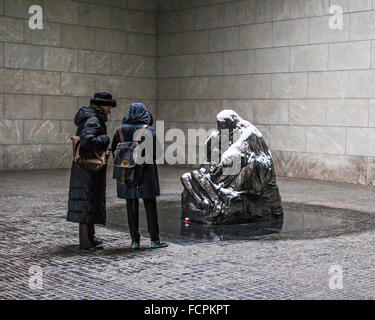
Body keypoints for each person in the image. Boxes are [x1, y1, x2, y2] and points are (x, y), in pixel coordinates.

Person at [111, 103, 168, 250]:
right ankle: (154, 240)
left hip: (127, 172)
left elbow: (114, 151)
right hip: (146, 173)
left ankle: (134, 241)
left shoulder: (120, 130)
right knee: (150, 205)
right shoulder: (149, 131)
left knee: (131, 205)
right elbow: (159, 153)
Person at [67, 92, 116, 251]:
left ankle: (90, 238)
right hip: (88, 169)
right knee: (87, 203)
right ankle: (86, 243)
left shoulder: (91, 118)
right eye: (109, 107)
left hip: (85, 168)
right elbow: (87, 140)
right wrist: (105, 139)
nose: (110, 110)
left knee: (88, 203)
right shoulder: (94, 120)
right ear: (102, 106)